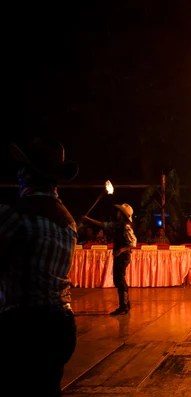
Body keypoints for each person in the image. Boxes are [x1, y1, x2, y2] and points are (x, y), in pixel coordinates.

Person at [0, 138, 79, 396]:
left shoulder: (14, 214)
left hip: (24, 327)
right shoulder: (69, 223)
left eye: (21, 169)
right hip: (61, 324)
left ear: (27, 176)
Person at [83, 203, 137, 315]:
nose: (117, 213)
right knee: (119, 279)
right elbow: (104, 225)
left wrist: (121, 250)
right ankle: (125, 304)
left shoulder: (125, 227)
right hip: (120, 255)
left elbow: (133, 243)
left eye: (119, 212)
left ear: (122, 215)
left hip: (123, 256)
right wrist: (88, 219)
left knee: (119, 280)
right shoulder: (118, 225)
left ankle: (124, 306)